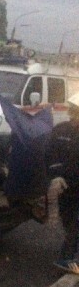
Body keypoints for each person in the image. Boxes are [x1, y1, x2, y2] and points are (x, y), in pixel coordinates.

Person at [46, 95, 79, 274]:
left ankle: (66, 258)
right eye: (74, 112)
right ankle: (70, 250)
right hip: (66, 185)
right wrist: (56, 175)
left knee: (76, 222)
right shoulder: (61, 131)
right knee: (68, 220)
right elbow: (50, 154)